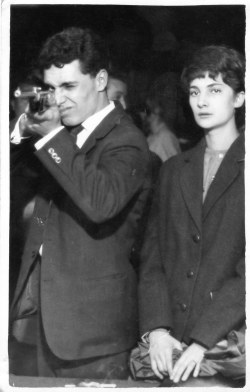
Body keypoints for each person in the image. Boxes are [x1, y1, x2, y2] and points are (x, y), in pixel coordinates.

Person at [9, 27, 151, 379]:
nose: (57, 100)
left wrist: (53, 136)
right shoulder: (63, 136)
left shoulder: (127, 140)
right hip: (41, 322)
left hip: (94, 335)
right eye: (51, 88)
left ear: (101, 79)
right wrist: (20, 129)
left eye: (69, 87)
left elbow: (100, 202)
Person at [138, 45, 245, 384]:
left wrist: (202, 341)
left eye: (215, 90)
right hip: (170, 343)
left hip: (226, 345)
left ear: (240, 99)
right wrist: (156, 328)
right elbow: (153, 256)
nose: (202, 101)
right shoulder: (172, 170)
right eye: (195, 92)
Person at [144, 72, 181, 162]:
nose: (142, 113)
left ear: (157, 109)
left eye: (146, 109)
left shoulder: (164, 139)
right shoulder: (153, 137)